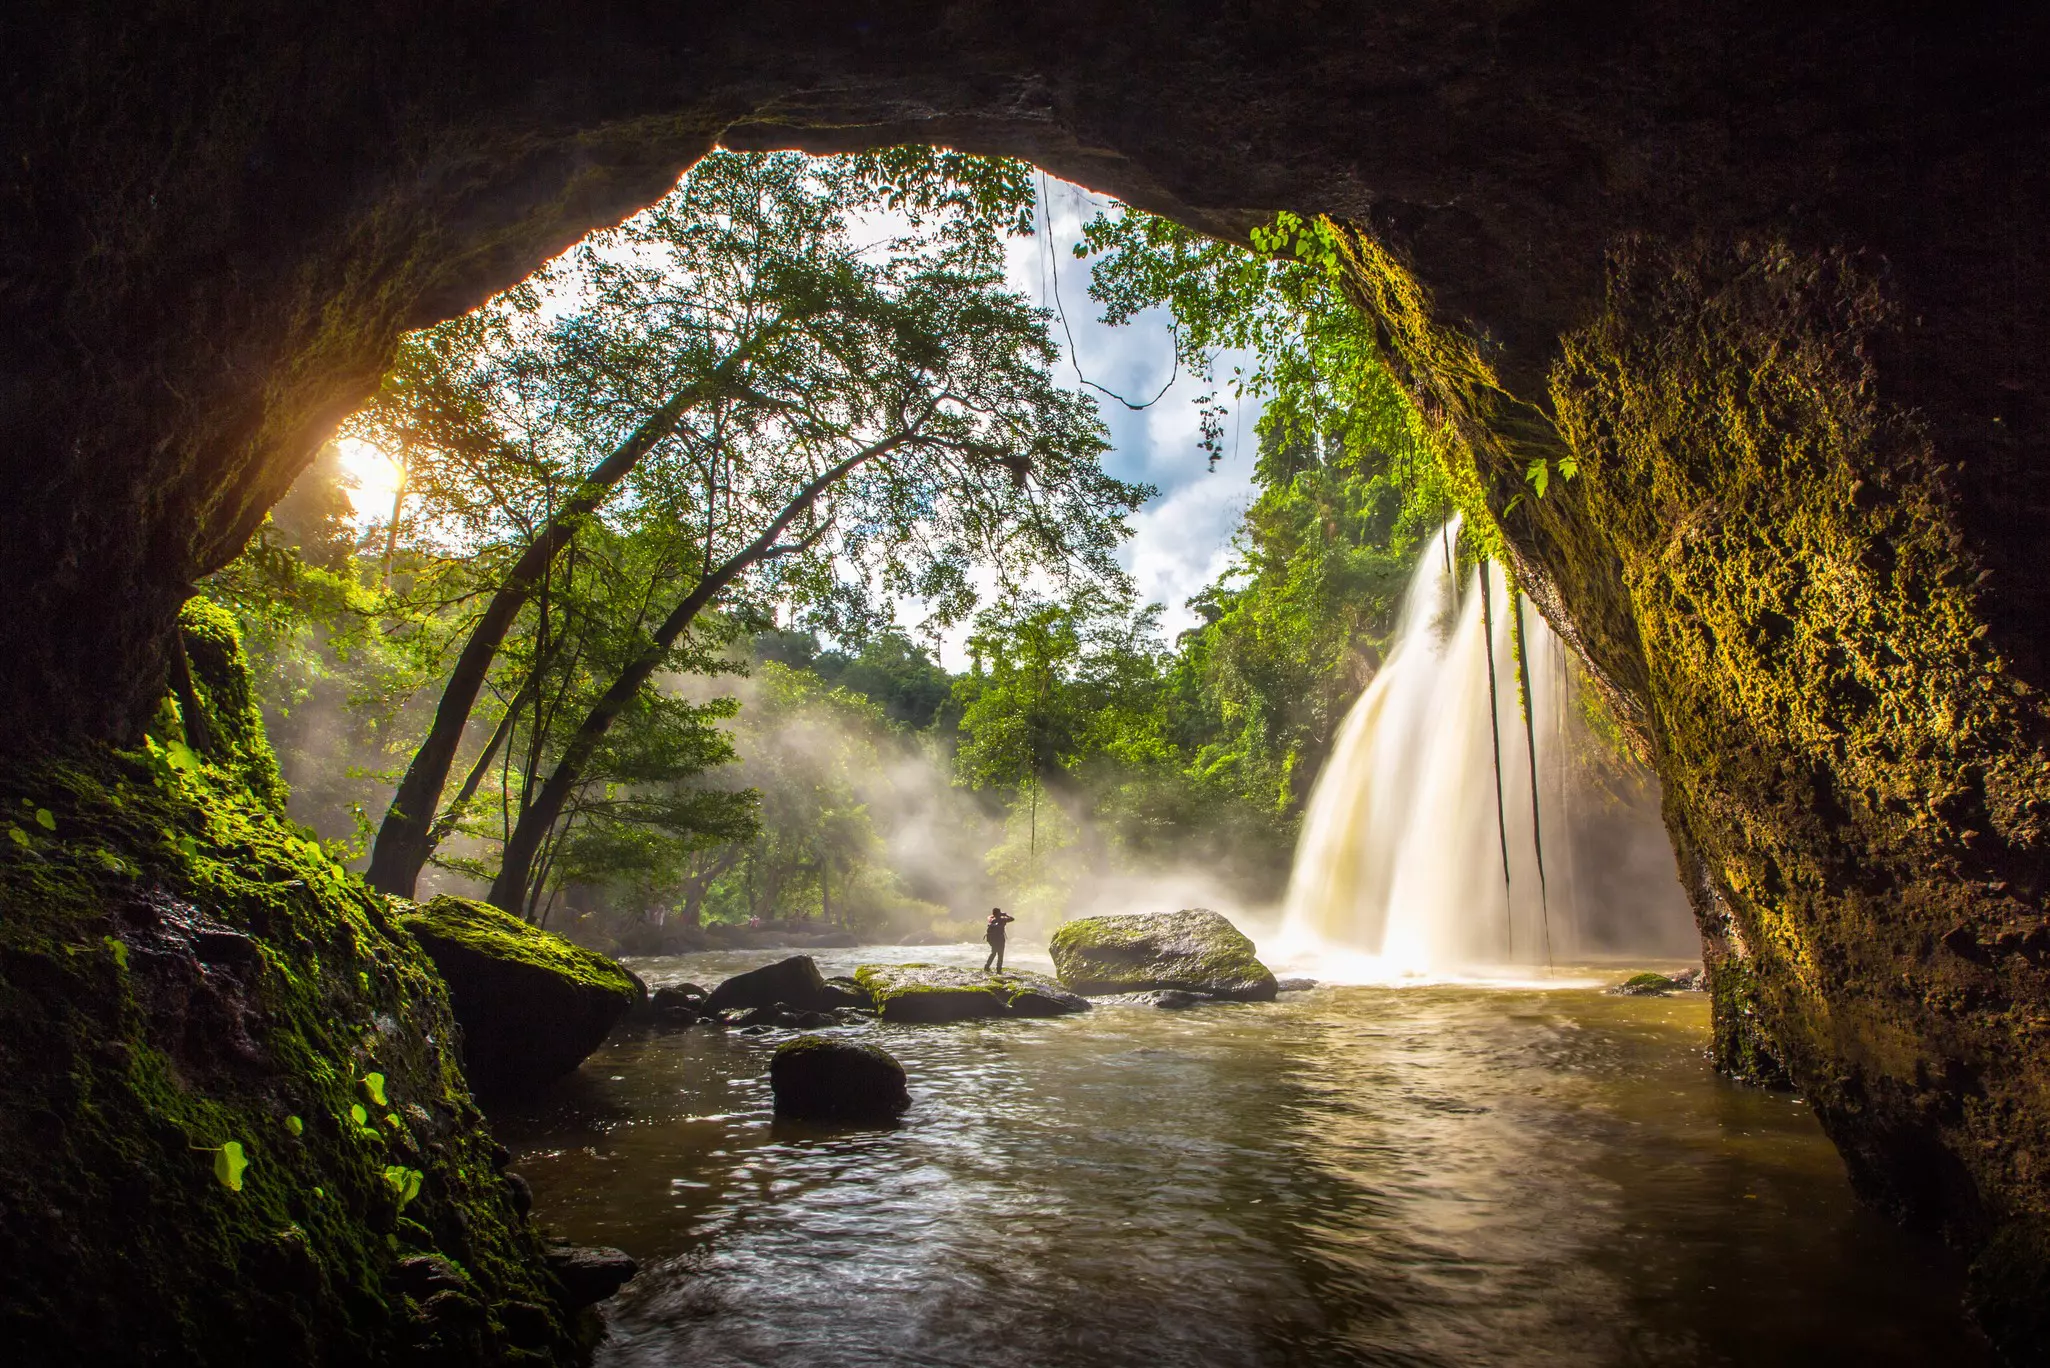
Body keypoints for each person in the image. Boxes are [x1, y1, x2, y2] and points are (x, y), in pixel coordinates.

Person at [983, 906, 1015, 973]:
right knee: (1000, 954)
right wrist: (1005, 914)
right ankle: (998, 969)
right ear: (999, 913)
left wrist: (997, 915)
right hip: (1000, 939)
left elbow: (990, 917)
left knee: (993, 953)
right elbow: (1012, 918)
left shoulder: (991, 920)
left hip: (993, 940)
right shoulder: (1002, 920)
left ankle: (987, 966)